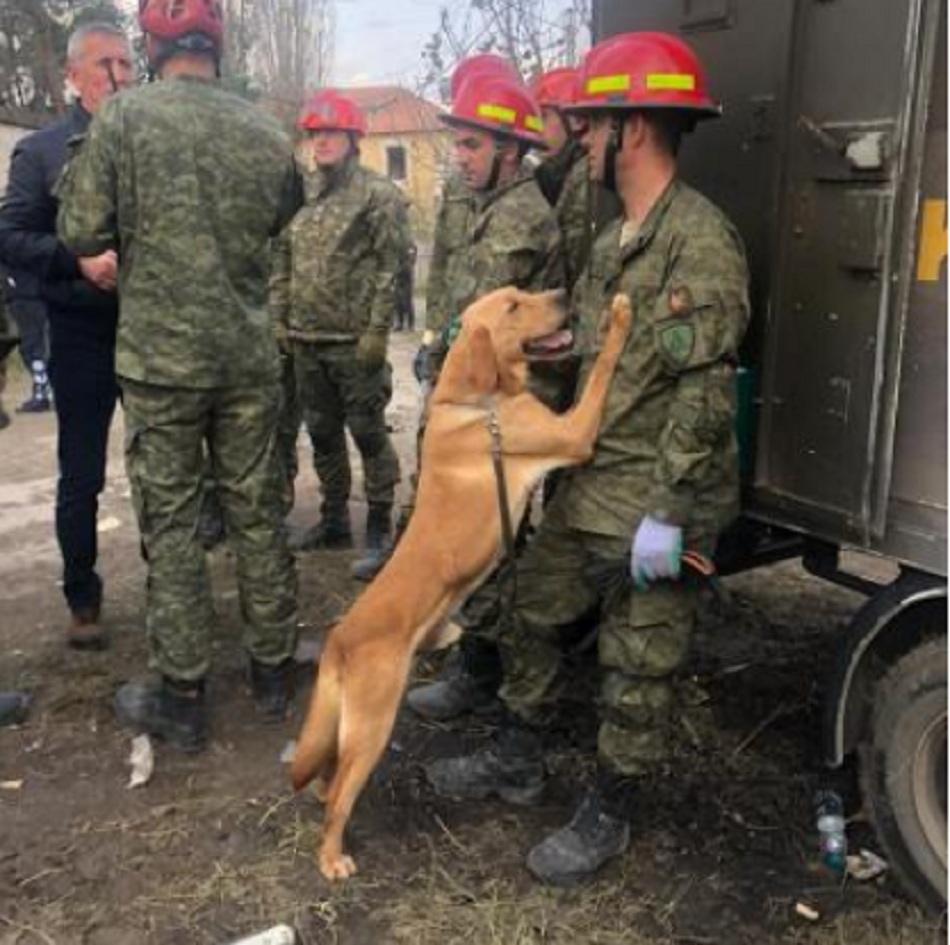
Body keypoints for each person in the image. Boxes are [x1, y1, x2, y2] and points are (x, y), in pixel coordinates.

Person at [424, 32, 751, 886]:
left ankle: (611, 804)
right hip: (593, 479)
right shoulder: (612, 244)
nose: (581, 137)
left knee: (637, 667)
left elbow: (704, 397)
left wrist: (669, 516)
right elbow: (584, 369)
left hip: (655, 496)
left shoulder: (701, 242)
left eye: (593, 123)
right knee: (530, 607)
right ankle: (519, 755)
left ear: (631, 130)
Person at [58, 0, 303, 751]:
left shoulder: (125, 121)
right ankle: (272, 671)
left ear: (152, 45)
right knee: (256, 511)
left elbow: (80, 229)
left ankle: (185, 691)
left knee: (171, 525)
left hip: (162, 363)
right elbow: (282, 216)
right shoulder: (265, 130)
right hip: (245, 358)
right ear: (217, 47)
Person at [351, 64, 565, 584]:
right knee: (434, 478)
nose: (459, 156)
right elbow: (445, 272)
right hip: (458, 377)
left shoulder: (529, 216)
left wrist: (496, 393)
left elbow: (512, 322)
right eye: (458, 144)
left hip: (501, 395)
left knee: (486, 515)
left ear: (509, 151)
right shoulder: (468, 199)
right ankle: (414, 567)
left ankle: (483, 651)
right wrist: (431, 341)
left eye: (471, 145)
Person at [0, 21, 134, 649]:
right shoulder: (44, 151)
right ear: (73, 75)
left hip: (149, 327)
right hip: (81, 327)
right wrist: (75, 261)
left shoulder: (147, 140)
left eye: (127, 63)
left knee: (166, 460)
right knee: (81, 473)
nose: (119, 75)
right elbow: (12, 237)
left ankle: (175, 588)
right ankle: (82, 597)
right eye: (106, 63)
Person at [272, 90, 410, 559]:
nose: (321, 141)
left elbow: (392, 268)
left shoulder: (378, 196)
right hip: (307, 341)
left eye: (331, 132)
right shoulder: (301, 192)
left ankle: (378, 524)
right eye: (314, 133)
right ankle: (334, 521)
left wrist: (377, 331)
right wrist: (279, 319)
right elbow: (283, 258)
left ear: (353, 137)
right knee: (323, 433)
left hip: (354, 343)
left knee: (368, 432)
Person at [4, 266, 51, 413]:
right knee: (33, 344)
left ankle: (42, 392)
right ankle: (44, 390)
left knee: (32, 345)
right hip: (28, 293)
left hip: (25, 294)